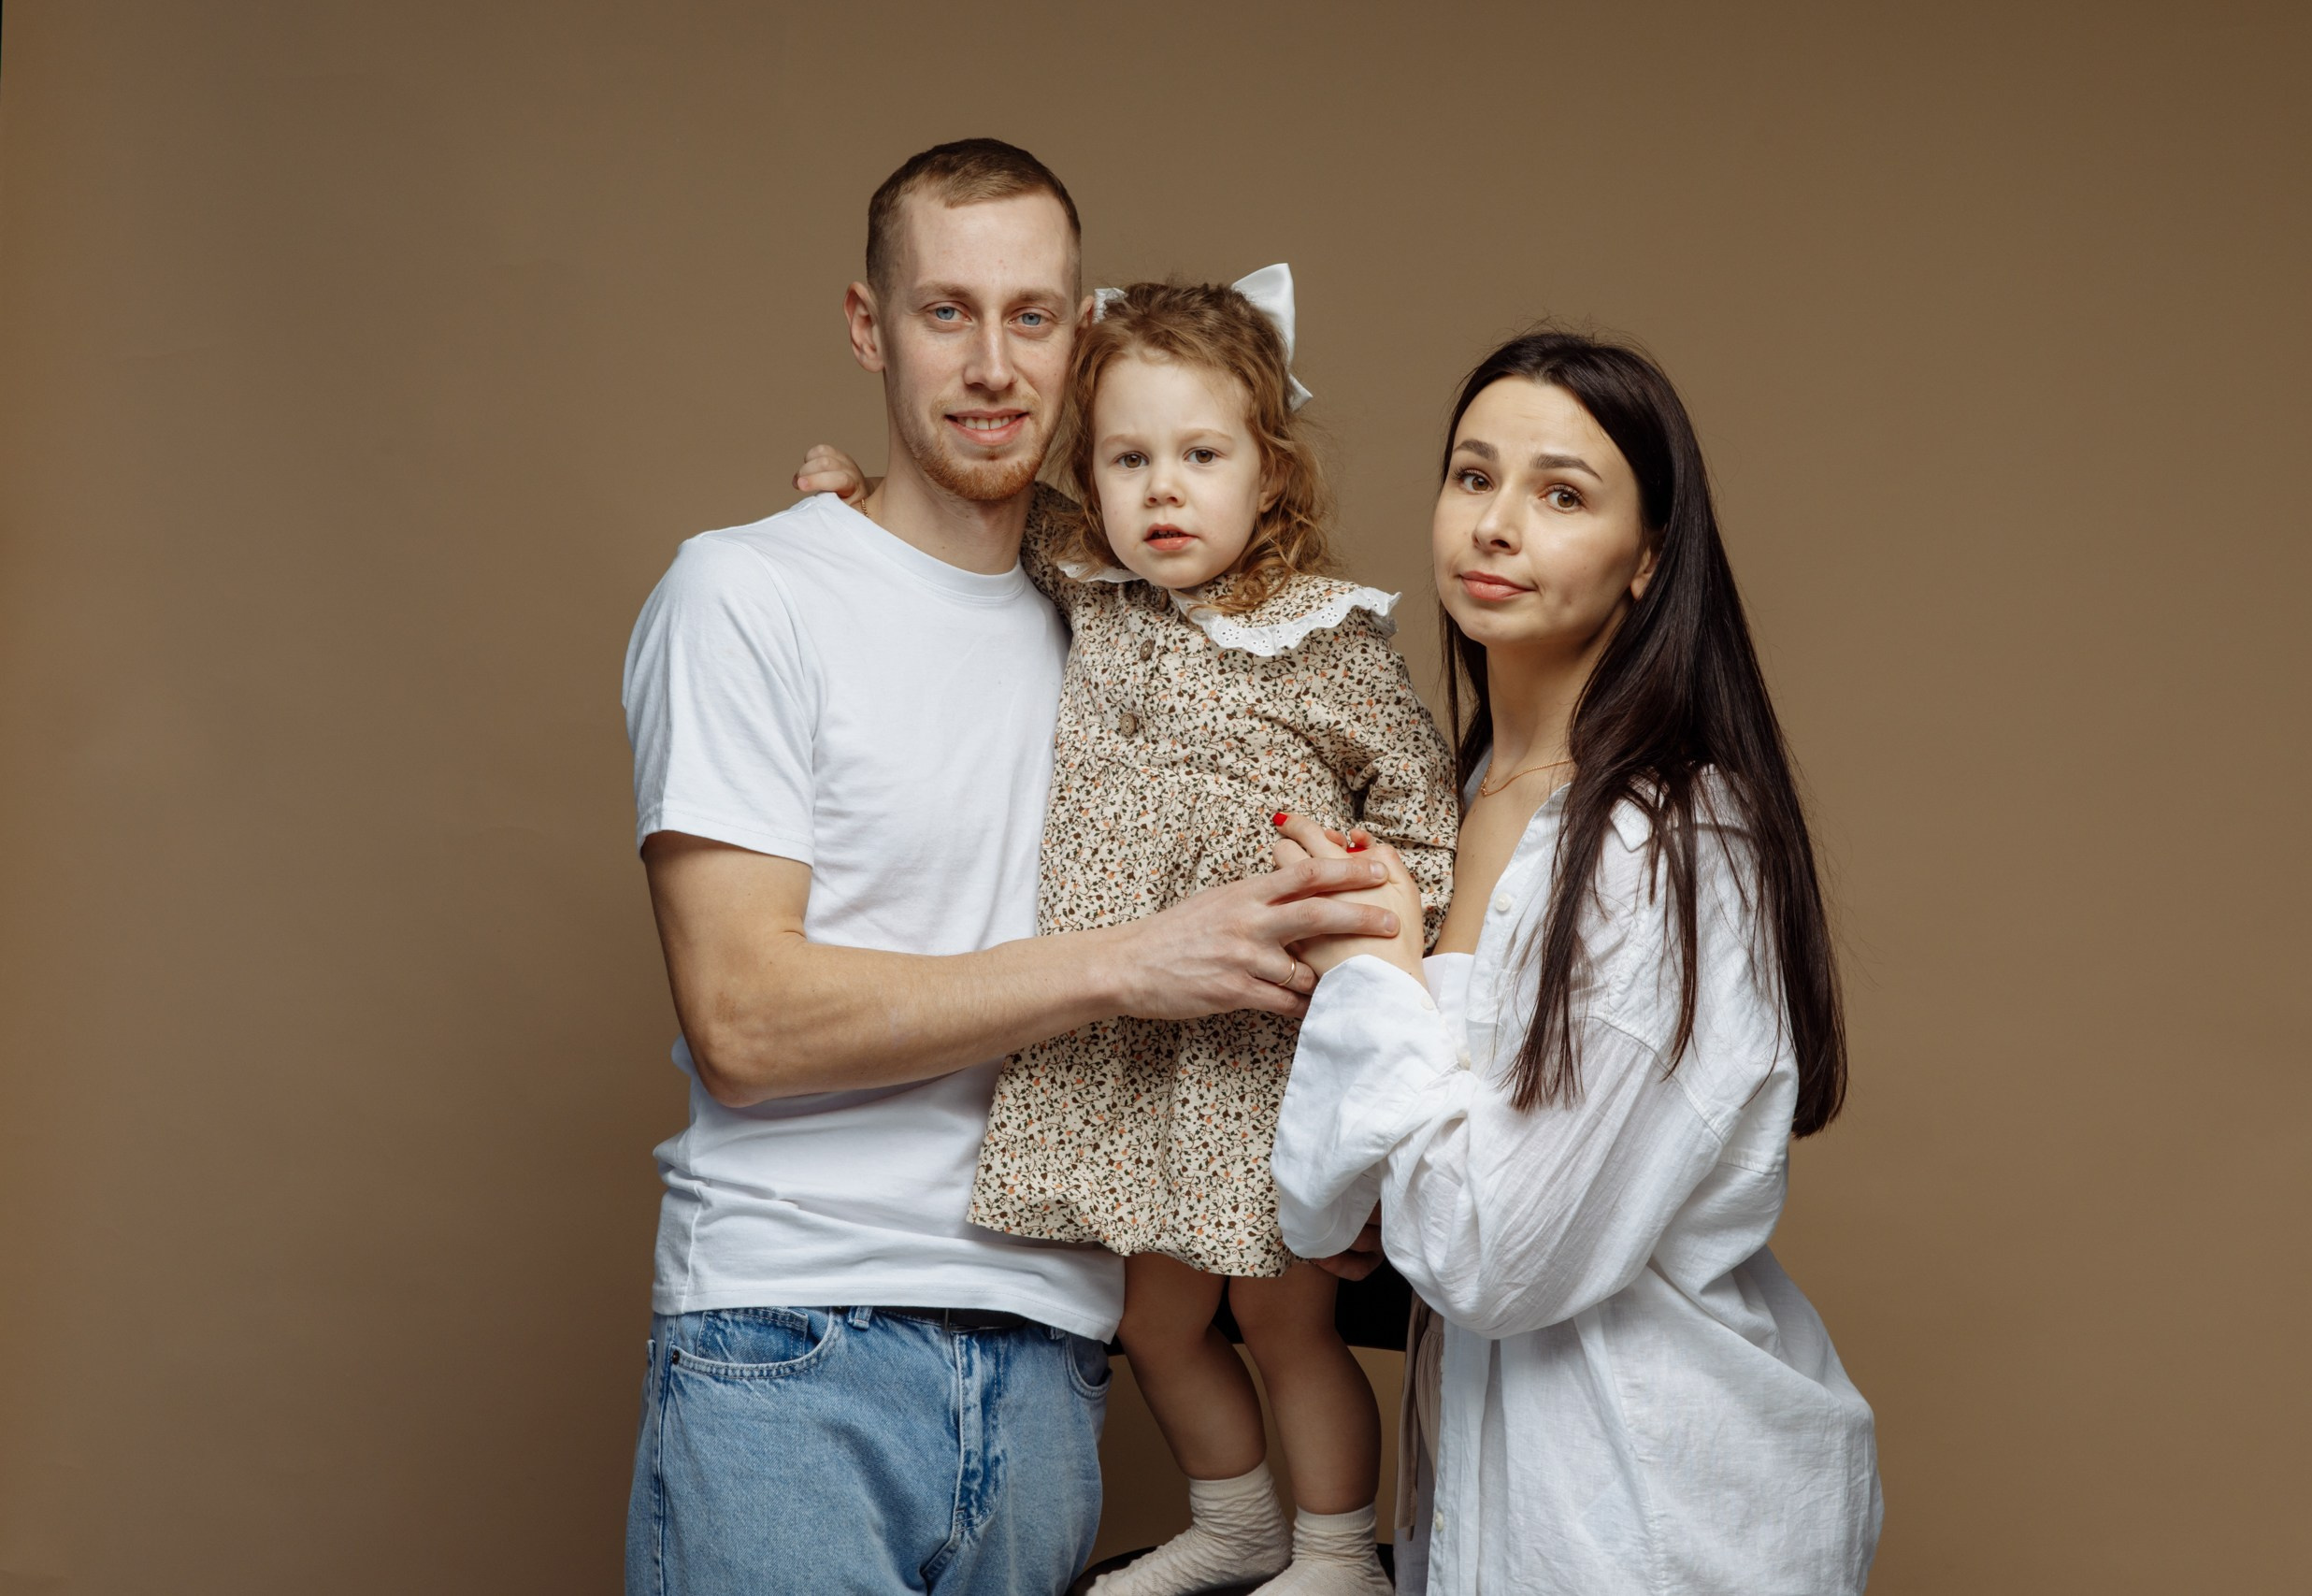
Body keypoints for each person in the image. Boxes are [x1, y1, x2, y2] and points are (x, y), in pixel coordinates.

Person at [619, 139, 1398, 1596]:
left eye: (1033, 316)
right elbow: (744, 1024)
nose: (993, 363)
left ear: (1084, 332)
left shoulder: (1125, 621)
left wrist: (1336, 1161)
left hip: (1056, 1362)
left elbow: (1322, 880)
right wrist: (1129, 960)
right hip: (795, 1344)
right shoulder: (746, 594)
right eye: (945, 312)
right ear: (868, 327)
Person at [807, 271, 1457, 1596]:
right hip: (1135, 1048)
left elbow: (1426, 821)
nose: (1162, 490)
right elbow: (977, 507)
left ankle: (1336, 1550)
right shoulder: (1091, 585)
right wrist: (860, 494)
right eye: (1128, 458)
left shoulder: (1326, 642)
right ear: (1089, 476)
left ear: (1269, 477)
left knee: (1284, 1318)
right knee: (1155, 1324)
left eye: (1200, 457)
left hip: (1262, 1052)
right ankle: (1240, 1520)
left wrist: (1367, 910)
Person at [1270, 333, 1885, 1594]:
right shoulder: (1448, 801)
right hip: (1491, 1510)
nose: (1496, 526)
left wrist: (1379, 982)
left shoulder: (1670, 848)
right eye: (1472, 476)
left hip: (1656, 1520)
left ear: (1648, 560)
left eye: (1561, 494)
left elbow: (1497, 1255)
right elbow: (1325, 1212)